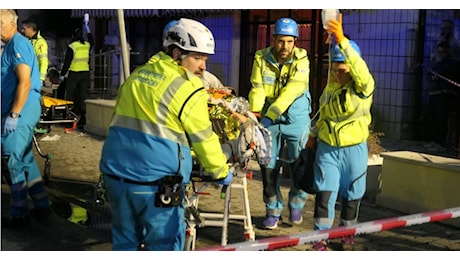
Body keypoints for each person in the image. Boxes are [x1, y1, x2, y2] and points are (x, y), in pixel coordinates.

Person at [99, 18, 233, 251]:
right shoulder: (188, 87)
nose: (203, 66)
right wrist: (221, 172)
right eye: (198, 58)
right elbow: (204, 137)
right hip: (157, 183)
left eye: (205, 59)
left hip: (116, 176)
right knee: (164, 244)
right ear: (176, 53)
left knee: (124, 242)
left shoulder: (138, 76)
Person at [309, 13, 375, 251]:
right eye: (335, 69)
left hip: (354, 149)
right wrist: (313, 134)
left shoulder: (363, 88)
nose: (338, 74)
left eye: (343, 70)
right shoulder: (331, 86)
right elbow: (325, 114)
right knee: (325, 193)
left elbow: (361, 71)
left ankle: (347, 234)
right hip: (328, 149)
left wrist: (343, 41)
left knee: (353, 194)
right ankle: (319, 239)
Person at [248, 17, 312, 229]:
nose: (285, 46)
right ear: (273, 39)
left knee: (299, 163)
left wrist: (270, 115)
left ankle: (296, 204)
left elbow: (290, 92)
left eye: (290, 42)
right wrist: (255, 115)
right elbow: (257, 87)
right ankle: (272, 209)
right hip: (269, 117)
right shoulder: (261, 57)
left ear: (295, 42)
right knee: (268, 165)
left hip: (296, 116)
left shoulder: (302, 60)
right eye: (281, 41)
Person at [1, 9, 52, 227]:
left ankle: (19, 211)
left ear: (12, 23)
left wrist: (14, 114)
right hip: (20, 109)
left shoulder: (18, 44)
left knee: (11, 158)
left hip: (21, 110)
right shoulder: (12, 45)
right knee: (24, 157)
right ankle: (42, 203)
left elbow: (25, 81)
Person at [60, 22, 94, 130]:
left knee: (70, 97)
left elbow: (67, 62)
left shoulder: (72, 46)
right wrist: (88, 31)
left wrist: (62, 74)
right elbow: (92, 41)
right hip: (85, 73)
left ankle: (69, 119)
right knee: (82, 96)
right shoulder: (86, 45)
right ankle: (82, 119)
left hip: (74, 73)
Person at [428, 41, 460, 147]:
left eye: (442, 52)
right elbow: (430, 75)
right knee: (435, 118)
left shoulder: (451, 63)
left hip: (446, 95)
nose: (439, 54)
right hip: (435, 93)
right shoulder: (437, 63)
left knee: (444, 120)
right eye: (438, 52)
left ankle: (443, 142)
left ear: (447, 53)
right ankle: (437, 140)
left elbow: (444, 73)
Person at [21, 18, 49, 84]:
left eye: (24, 29)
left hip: (34, 78)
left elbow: (43, 61)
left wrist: (40, 79)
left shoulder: (40, 42)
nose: (22, 31)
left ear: (30, 29)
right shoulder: (28, 40)